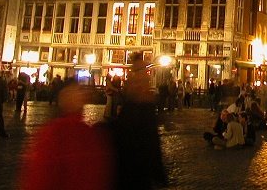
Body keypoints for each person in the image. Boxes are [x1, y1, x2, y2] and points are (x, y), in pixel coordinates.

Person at [19, 78, 114, 190]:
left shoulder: (87, 133)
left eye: (78, 91)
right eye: (74, 92)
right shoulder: (54, 134)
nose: (78, 96)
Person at [112, 52, 168, 189]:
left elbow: (152, 139)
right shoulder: (137, 104)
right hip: (133, 168)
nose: (145, 78)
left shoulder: (142, 103)